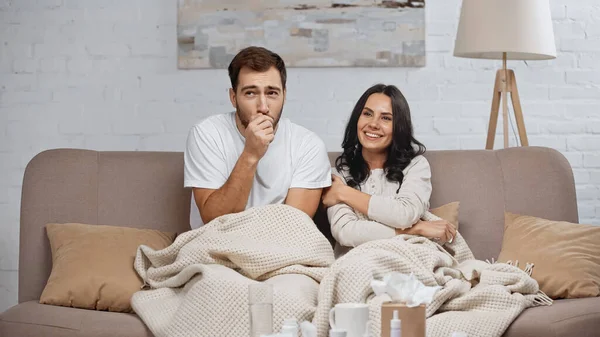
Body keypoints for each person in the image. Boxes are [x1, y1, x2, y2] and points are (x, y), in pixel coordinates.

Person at [184, 46, 332, 229]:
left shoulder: (308, 145)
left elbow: (295, 228)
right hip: (215, 245)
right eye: (250, 93)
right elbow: (214, 220)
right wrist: (250, 154)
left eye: (272, 93)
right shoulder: (206, 134)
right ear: (233, 97)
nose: (263, 106)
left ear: (284, 95)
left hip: (278, 251)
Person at [322, 84, 456, 257]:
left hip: (407, 258)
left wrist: (343, 193)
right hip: (356, 263)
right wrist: (416, 229)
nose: (373, 124)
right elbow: (346, 232)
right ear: (357, 118)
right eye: (367, 114)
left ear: (399, 127)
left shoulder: (416, 166)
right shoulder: (339, 173)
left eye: (386, 118)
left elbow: (404, 214)